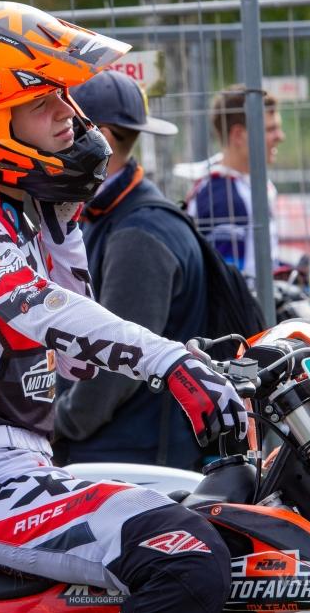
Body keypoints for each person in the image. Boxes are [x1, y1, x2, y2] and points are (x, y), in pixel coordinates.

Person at [0, 1, 246, 613]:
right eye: (39, 101)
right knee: (186, 559)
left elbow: (76, 363)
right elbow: (42, 309)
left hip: (21, 464)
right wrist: (169, 363)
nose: (68, 114)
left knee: (235, 532)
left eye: (62, 95)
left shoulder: (14, 215)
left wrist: (61, 225)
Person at [51, 69, 208, 470]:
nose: (53, 137)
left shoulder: (138, 235)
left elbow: (116, 364)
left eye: (63, 125)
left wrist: (56, 422)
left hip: (131, 460)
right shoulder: (115, 213)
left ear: (97, 136)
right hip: (124, 449)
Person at [184, 84, 285, 281]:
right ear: (238, 135)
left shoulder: (243, 185)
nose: (280, 137)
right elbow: (225, 285)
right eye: (270, 129)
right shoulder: (225, 198)